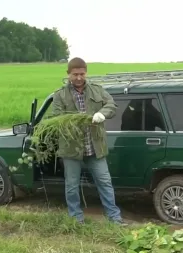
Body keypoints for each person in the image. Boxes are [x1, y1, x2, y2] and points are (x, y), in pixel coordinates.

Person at [51, 57, 127, 226]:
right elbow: (56, 118)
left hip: (95, 147)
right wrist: (73, 120)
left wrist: (102, 114)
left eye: (82, 74)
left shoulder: (97, 90)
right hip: (71, 148)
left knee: (105, 182)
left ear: (86, 73)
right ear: (68, 74)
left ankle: (114, 218)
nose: (79, 77)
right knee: (71, 185)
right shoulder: (60, 95)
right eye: (75, 74)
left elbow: (112, 105)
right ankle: (76, 219)